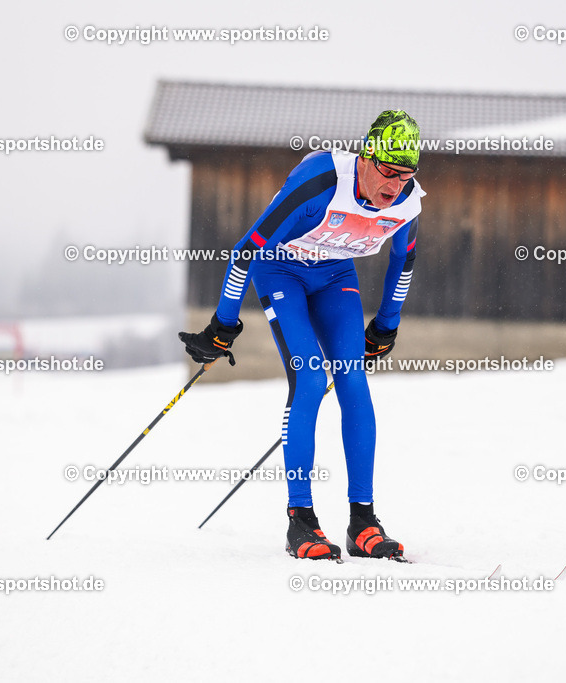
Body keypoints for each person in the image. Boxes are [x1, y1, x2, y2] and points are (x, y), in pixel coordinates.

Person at [179, 111, 424, 562]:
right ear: (367, 157)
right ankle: (301, 521)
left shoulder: (406, 200)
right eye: (388, 171)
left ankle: (363, 521)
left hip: (334, 276)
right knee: (310, 379)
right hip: (280, 269)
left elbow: (403, 262)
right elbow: (246, 250)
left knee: (353, 381)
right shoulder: (321, 179)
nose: (395, 185)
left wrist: (387, 326)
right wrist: (223, 325)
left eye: (406, 175)